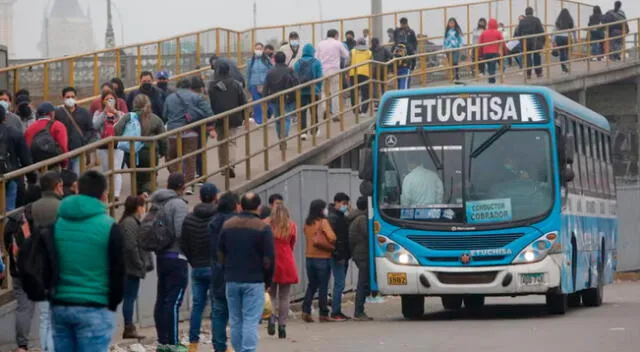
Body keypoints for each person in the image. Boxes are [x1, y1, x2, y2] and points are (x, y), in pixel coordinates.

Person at [51, 170, 125, 352]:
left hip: (61, 305)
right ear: (103, 194)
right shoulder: (109, 227)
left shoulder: (58, 224)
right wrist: (112, 303)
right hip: (94, 306)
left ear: (77, 190)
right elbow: (118, 271)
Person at [217, 193, 275, 352]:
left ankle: (238, 349)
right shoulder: (263, 228)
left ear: (241, 206)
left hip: (232, 279)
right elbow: (269, 257)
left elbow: (220, 252)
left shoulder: (228, 225)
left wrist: (225, 271)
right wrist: (268, 281)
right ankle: (247, 350)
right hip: (254, 280)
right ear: (259, 207)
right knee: (250, 320)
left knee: (235, 320)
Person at [150, 173, 190, 352]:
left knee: (162, 298)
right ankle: (173, 343)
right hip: (176, 256)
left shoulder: (158, 202)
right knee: (173, 301)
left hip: (161, 255)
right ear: (182, 186)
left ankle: (163, 341)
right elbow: (182, 232)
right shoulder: (178, 204)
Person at [180, 183, 219, 352]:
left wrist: (193, 260)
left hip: (196, 267)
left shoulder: (189, 218)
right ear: (215, 197)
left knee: (197, 307)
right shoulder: (218, 218)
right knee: (217, 306)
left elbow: (184, 244)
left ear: (200, 197)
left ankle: (193, 344)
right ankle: (219, 343)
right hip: (214, 266)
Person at [30, 171, 65, 351]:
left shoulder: (33, 207)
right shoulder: (62, 207)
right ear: (56, 186)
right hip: (57, 266)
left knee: (44, 316)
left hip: (38, 265)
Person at [164, 78, 214, 195]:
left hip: (173, 133)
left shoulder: (169, 98)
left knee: (171, 157)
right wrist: (208, 125)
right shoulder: (196, 97)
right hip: (191, 132)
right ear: (189, 87)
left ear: (177, 86)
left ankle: (177, 181)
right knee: (190, 158)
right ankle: (188, 185)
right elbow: (209, 113)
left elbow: (164, 114)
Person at [115, 94, 167, 196]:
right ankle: (146, 192)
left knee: (136, 176)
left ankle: (138, 197)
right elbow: (163, 138)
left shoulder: (128, 117)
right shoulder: (155, 119)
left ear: (134, 104)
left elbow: (117, 130)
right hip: (150, 153)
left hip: (131, 153)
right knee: (150, 176)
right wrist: (163, 152)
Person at [209, 191, 240, 352]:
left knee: (219, 311)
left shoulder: (213, 222)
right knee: (236, 312)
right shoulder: (238, 222)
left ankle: (219, 346)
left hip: (217, 270)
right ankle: (238, 345)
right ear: (235, 205)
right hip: (236, 272)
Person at [119, 195, 153, 340]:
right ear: (138, 207)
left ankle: (129, 326)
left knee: (130, 297)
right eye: (143, 206)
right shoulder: (130, 223)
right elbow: (131, 246)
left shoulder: (129, 222)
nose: (144, 209)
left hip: (129, 267)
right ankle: (128, 327)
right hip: (130, 268)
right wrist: (139, 263)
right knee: (129, 298)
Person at [208, 61, 247, 179]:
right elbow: (243, 101)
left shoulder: (212, 85)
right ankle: (230, 164)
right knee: (231, 141)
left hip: (218, 117)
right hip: (233, 117)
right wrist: (245, 117)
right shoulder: (235, 84)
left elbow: (210, 103)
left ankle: (223, 166)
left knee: (221, 142)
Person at [264, 204, 298, 339]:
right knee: (284, 296)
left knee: (271, 294)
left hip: (271, 260)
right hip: (286, 260)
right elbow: (292, 243)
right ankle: (282, 326)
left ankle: (272, 317)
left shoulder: (267, 225)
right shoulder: (291, 226)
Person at [301, 199, 337, 323]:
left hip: (309, 257)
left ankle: (306, 310)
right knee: (323, 286)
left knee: (312, 285)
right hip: (323, 258)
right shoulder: (323, 222)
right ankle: (323, 313)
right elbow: (332, 237)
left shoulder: (307, 223)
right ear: (321, 210)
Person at [93, 90, 126, 200]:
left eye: (111, 99)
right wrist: (104, 113)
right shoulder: (98, 113)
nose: (109, 101)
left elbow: (125, 123)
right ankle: (107, 193)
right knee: (106, 170)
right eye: (107, 99)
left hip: (117, 145)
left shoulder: (120, 113)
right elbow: (94, 125)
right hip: (103, 145)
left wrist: (115, 112)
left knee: (116, 169)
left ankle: (116, 194)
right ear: (103, 101)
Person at [0, 105, 33, 212]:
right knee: (10, 211)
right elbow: (25, 159)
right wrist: (32, 178)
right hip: (10, 176)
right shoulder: (15, 133)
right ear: (5, 118)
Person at [54, 86, 93, 175]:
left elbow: (91, 130)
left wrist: (84, 140)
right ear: (63, 98)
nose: (70, 99)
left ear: (76, 97)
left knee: (77, 176)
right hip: (63, 153)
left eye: (72, 97)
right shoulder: (58, 113)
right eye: (68, 97)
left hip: (79, 151)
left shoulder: (84, 112)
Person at [263, 51, 298, 151]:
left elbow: (266, 87)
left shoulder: (270, 72)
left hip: (274, 99)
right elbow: (296, 82)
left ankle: (280, 137)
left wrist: (265, 99)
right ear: (284, 59)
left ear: (275, 60)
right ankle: (284, 137)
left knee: (278, 119)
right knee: (286, 118)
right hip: (287, 98)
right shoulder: (289, 70)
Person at [327, 192, 352, 321]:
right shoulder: (333, 218)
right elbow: (334, 239)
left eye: (347, 204)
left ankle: (336, 310)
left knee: (339, 284)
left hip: (343, 255)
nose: (345, 206)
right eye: (344, 204)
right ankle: (335, 311)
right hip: (338, 256)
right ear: (336, 202)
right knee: (339, 283)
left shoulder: (340, 215)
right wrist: (338, 254)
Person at [316, 29, 350, 122]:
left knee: (324, 92)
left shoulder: (320, 44)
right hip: (335, 70)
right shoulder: (338, 43)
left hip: (323, 71)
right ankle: (335, 113)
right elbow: (346, 55)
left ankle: (325, 109)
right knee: (335, 92)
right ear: (335, 35)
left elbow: (317, 57)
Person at [348, 196, 373, 321]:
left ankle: (359, 310)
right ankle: (359, 311)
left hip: (359, 254)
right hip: (362, 254)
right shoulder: (362, 219)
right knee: (362, 283)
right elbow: (369, 234)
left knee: (363, 282)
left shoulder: (355, 217)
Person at [293, 43, 324, 140]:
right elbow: (320, 77)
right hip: (313, 90)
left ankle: (303, 132)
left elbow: (294, 77)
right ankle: (314, 130)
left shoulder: (297, 63)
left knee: (302, 112)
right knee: (313, 110)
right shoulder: (316, 62)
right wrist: (318, 89)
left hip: (301, 91)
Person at [514, 7, 545, 79]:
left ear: (525, 13)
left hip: (525, 42)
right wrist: (542, 42)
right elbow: (541, 31)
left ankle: (528, 74)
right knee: (537, 56)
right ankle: (539, 73)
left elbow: (519, 33)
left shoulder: (522, 21)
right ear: (532, 12)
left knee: (527, 58)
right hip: (535, 41)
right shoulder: (536, 20)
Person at [246, 42, 273, 125]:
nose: (258, 50)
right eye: (257, 49)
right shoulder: (251, 61)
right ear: (254, 50)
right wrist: (248, 85)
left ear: (263, 50)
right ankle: (259, 121)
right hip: (254, 84)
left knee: (268, 102)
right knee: (256, 103)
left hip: (265, 84)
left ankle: (269, 114)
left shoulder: (267, 60)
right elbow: (248, 73)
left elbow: (271, 70)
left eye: (260, 49)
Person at [348, 38, 372, 115]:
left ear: (357, 43)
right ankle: (364, 111)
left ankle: (355, 110)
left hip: (353, 74)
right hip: (365, 74)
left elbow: (347, 63)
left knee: (354, 92)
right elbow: (372, 64)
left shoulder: (352, 51)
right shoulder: (369, 52)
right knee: (365, 93)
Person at [479, 18, 506, 84]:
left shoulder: (484, 33)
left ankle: (491, 80)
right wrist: (505, 52)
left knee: (490, 67)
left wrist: (480, 54)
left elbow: (480, 45)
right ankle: (492, 81)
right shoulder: (498, 33)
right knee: (492, 67)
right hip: (495, 53)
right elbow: (503, 44)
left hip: (486, 54)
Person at [554, 9, 575, 73]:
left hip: (559, 38)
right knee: (568, 51)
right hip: (567, 37)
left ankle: (563, 68)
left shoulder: (558, 20)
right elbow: (572, 29)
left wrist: (553, 40)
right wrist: (575, 38)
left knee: (562, 52)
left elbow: (554, 30)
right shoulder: (570, 20)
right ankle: (567, 63)